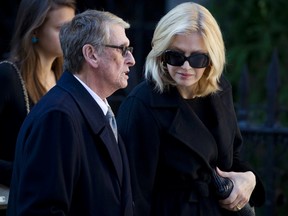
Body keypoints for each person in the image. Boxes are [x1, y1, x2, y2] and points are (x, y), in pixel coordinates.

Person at [117, 2, 265, 216]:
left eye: (197, 58)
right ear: (161, 53)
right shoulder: (141, 104)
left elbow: (233, 158)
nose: (186, 67)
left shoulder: (219, 89)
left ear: (211, 58)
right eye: (175, 56)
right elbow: (134, 197)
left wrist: (250, 179)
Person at [7, 8, 135, 216]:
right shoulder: (58, 116)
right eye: (122, 49)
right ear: (91, 55)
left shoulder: (90, 107)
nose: (131, 59)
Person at [0, 0, 76, 189]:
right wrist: (19, 172)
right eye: (61, 29)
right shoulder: (7, 75)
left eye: (73, 28)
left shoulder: (66, 79)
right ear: (34, 30)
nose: (71, 37)